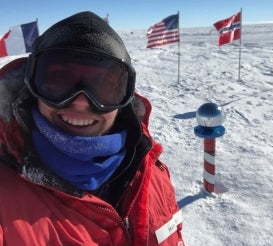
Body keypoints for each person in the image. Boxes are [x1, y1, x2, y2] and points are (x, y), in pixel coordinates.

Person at [0, 11, 184, 246]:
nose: (81, 102)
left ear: (124, 97)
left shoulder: (151, 172)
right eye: (58, 82)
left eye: (103, 87)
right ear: (32, 88)